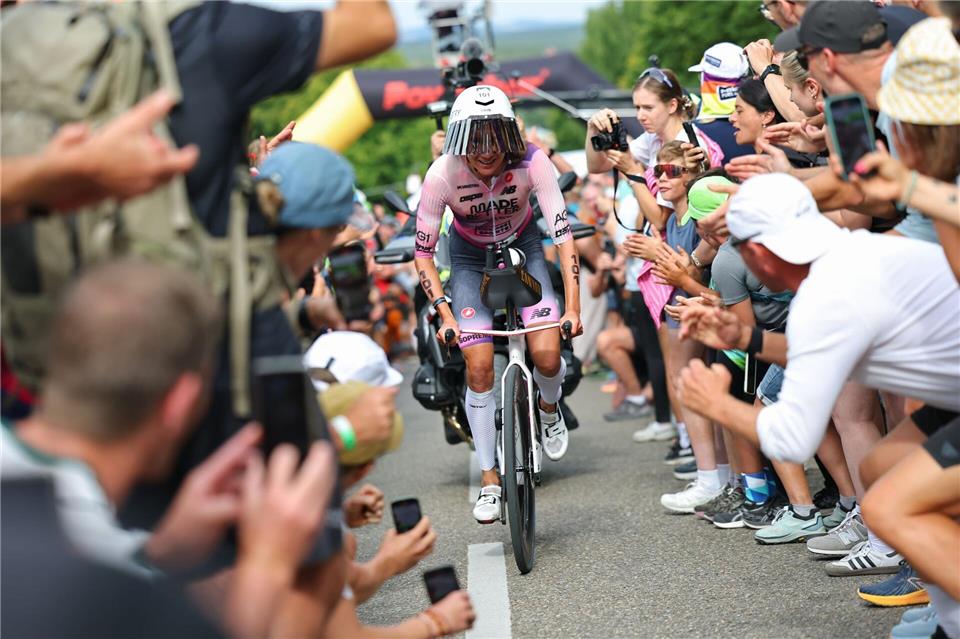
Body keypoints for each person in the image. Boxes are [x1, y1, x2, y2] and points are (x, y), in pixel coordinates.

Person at [0, 260, 340, 638]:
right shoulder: (93, 595)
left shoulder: (42, 513)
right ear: (180, 403)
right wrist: (268, 564)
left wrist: (163, 550)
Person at [414, 85, 583, 524]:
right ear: (458, 138)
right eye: (476, 138)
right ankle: (490, 479)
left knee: (547, 356)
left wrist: (574, 308)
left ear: (508, 132)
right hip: (470, 261)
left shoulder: (533, 161)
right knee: (479, 366)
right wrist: (446, 315)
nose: (486, 150)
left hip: (524, 247)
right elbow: (423, 254)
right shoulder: (441, 175)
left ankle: (549, 410)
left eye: (495, 136)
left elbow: (564, 238)